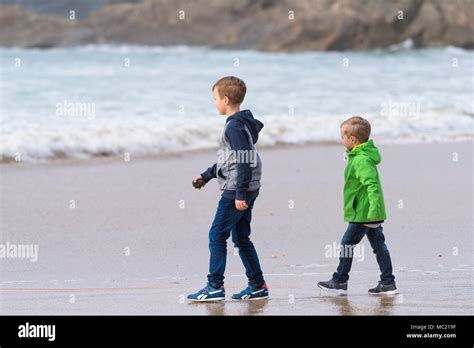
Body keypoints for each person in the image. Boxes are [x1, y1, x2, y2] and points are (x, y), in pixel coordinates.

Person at [187, 76, 268, 302]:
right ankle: (258, 285)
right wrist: (207, 175)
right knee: (241, 238)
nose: (214, 103)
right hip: (247, 186)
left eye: (214, 98)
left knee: (216, 235)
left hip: (237, 190)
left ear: (225, 99)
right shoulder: (241, 124)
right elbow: (230, 160)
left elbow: (242, 160)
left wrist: (240, 193)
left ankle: (214, 286)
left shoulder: (234, 126)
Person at [318, 116, 398, 295]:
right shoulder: (358, 155)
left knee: (347, 244)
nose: (341, 141)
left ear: (352, 140)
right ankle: (388, 283)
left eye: (342, 138)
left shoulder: (361, 159)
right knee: (379, 246)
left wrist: (373, 210)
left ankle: (339, 281)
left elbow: (372, 185)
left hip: (365, 212)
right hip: (369, 211)